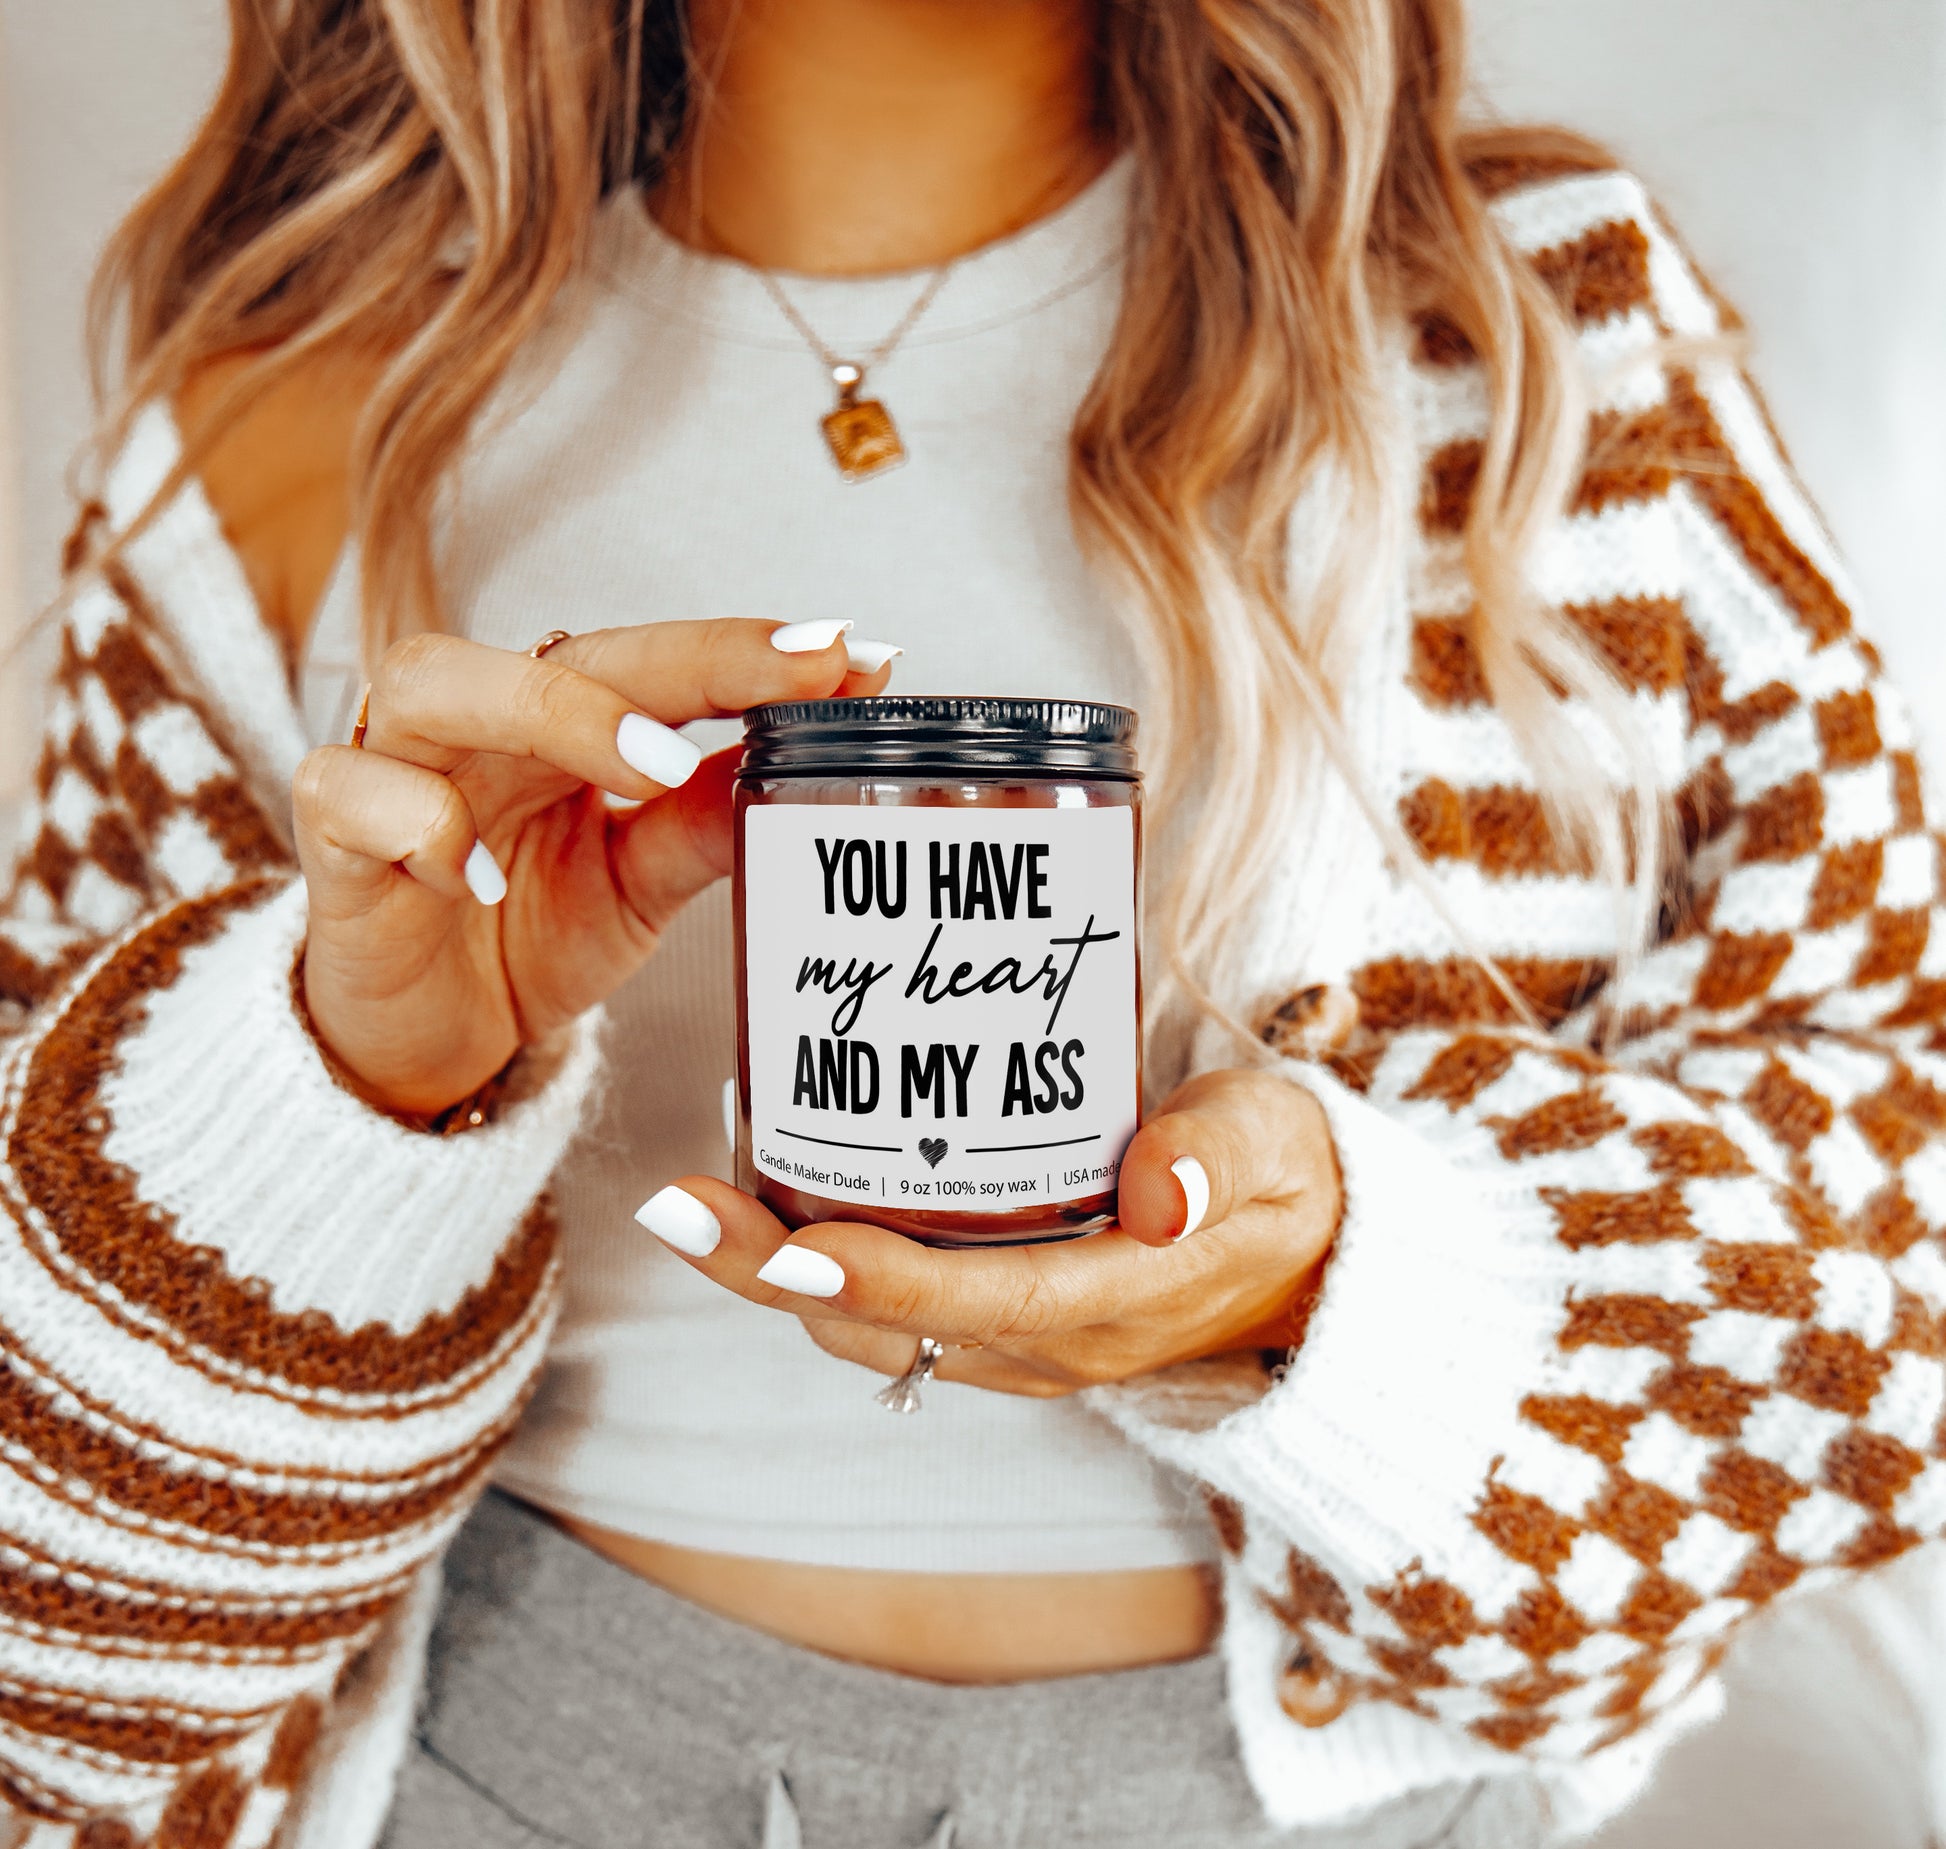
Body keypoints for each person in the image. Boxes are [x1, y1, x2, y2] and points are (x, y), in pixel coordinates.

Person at [3, 0, 1943, 1842]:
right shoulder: (278, 427)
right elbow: (43, 1645)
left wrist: (1341, 1286)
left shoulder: (1535, 345)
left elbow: (1900, 1188)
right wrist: (335, 1098)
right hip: (495, 1766)